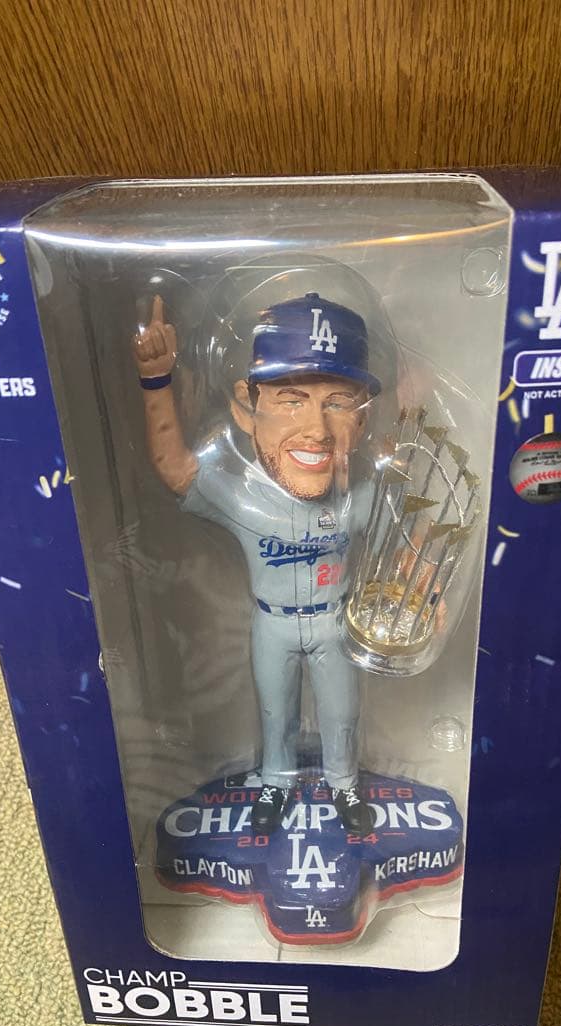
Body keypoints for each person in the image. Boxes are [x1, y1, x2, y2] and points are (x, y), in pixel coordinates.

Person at [134, 292, 380, 835]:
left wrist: (425, 590)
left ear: (363, 417)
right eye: (291, 399)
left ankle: (344, 784)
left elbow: (406, 532)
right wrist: (156, 381)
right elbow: (175, 469)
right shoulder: (245, 498)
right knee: (275, 712)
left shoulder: (358, 497)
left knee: (342, 712)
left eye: (339, 402)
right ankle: (276, 780)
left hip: (336, 622)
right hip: (272, 623)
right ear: (246, 408)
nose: (317, 428)